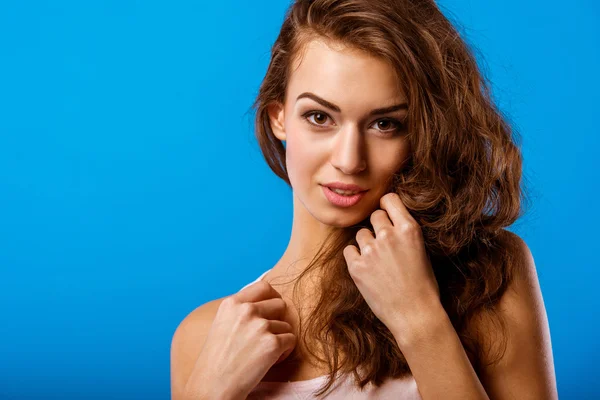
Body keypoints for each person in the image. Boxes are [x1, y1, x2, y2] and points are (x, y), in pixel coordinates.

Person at [170, 0, 558, 399]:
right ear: (279, 117)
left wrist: (419, 320)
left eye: (385, 124)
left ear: (424, 132)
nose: (348, 160)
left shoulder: (486, 279)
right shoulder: (206, 337)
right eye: (320, 117)